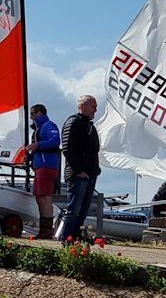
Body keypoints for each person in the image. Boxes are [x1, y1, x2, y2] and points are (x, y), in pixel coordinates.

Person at [60, 95, 101, 241]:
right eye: (93, 106)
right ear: (83, 106)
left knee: (83, 211)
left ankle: (75, 239)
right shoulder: (74, 122)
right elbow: (67, 149)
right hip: (78, 175)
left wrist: (96, 170)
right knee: (74, 210)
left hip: (90, 174)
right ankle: (67, 240)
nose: (95, 109)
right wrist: (79, 170)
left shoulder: (89, 125)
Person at [25, 104, 60, 239]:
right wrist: (29, 157)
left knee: (45, 197)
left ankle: (47, 231)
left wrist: (37, 145)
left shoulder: (48, 125)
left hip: (47, 166)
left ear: (40, 113)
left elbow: (55, 141)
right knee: (40, 197)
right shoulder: (38, 129)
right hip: (40, 166)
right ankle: (44, 229)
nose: (31, 116)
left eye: (33, 113)